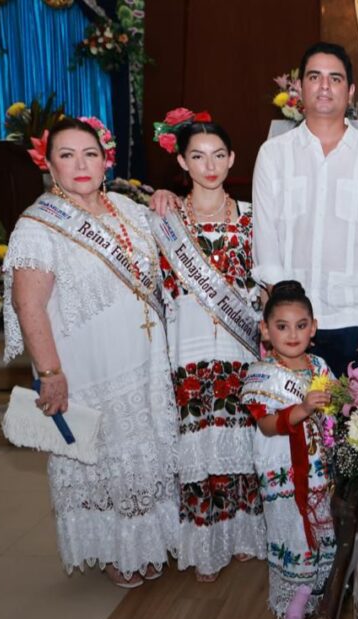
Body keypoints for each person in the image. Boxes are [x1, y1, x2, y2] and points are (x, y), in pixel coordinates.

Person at [3, 117, 179, 588]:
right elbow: (28, 303)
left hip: (145, 359)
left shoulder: (126, 208)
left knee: (146, 447)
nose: (80, 164)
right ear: (49, 163)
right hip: (89, 366)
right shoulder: (38, 225)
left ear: (106, 160)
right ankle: (114, 550)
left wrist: (165, 199)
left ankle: (152, 538)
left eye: (90, 154)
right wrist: (50, 372)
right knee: (102, 454)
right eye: (67, 154)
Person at [150, 109, 266, 581]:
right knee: (201, 443)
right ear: (182, 162)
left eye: (219, 155)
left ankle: (242, 535)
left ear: (233, 158)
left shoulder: (254, 218)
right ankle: (205, 543)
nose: (210, 165)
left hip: (241, 346)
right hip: (190, 346)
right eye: (198, 156)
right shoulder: (163, 218)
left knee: (241, 443)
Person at [253, 41, 358, 377]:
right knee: (292, 425)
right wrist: (282, 315)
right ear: (299, 87)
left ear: (350, 91)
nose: (324, 86)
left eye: (335, 79)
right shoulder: (274, 155)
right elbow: (265, 238)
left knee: (352, 426)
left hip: (355, 321)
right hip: (290, 326)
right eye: (315, 77)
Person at [241, 281, 335, 619]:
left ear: (313, 327)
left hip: (318, 469)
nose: (292, 334)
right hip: (283, 469)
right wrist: (304, 408)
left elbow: (336, 407)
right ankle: (295, 602)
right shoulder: (262, 375)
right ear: (265, 330)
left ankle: (321, 594)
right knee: (292, 532)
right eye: (282, 326)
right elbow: (267, 425)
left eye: (301, 325)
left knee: (321, 529)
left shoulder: (320, 367)